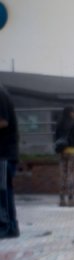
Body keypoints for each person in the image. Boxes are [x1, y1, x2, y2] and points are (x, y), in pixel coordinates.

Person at [54, 105, 74, 207]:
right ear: (71, 113)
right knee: (71, 175)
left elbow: (56, 138)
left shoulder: (59, 123)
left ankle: (62, 199)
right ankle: (71, 199)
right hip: (73, 151)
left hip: (62, 152)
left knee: (63, 175)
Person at [0, 84, 19, 238]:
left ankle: (6, 226)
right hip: (4, 153)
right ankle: (10, 226)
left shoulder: (0, 94)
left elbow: (3, 121)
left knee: (3, 191)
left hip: (4, 153)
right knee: (4, 190)